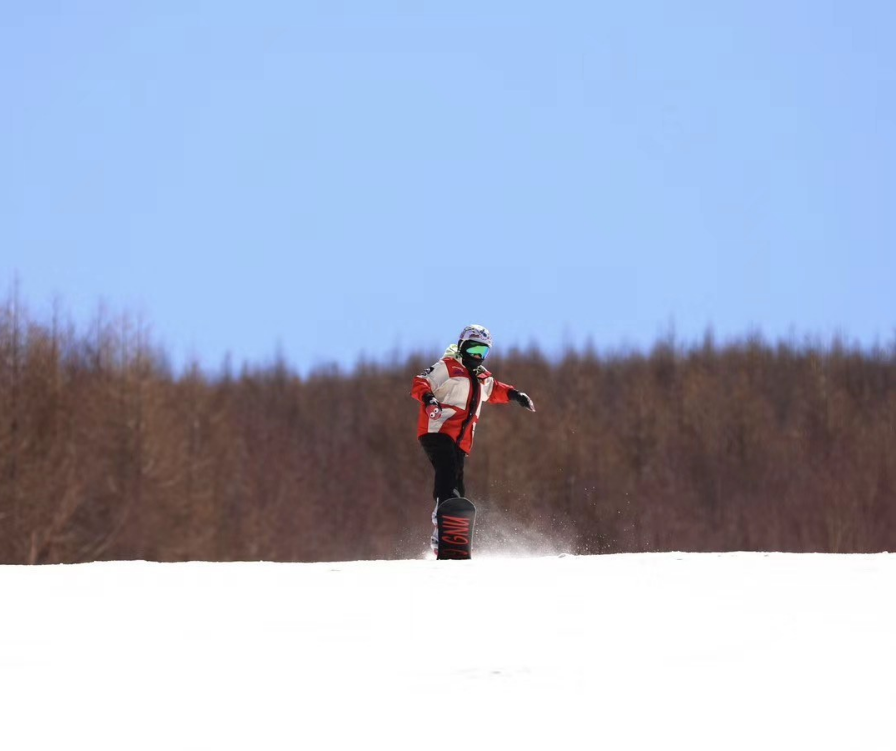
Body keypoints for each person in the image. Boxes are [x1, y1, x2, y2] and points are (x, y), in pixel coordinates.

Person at [410, 324, 536, 555]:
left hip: (461, 441)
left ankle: (453, 533)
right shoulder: (448, 366)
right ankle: (441, 526)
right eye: (473, 350)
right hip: (437, 431)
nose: (477, 356)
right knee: (447, 471)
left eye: (483, 352)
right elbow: (421, 382)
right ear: (462, 347)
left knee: (458, 485)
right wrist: (429, 400)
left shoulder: (481, 377)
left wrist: (515, 395)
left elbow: (496, 389)